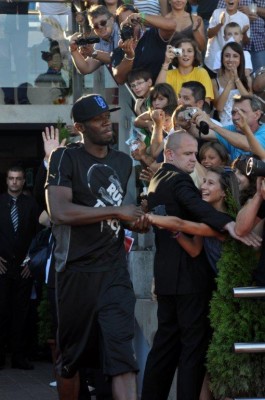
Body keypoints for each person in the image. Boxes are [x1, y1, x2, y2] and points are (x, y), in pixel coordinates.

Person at [140, 131, 258, 400]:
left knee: (164, 348)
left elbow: (183, 225)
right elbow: (192, 208)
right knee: (191, 351)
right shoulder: (179, 181)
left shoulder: (157, 179)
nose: (195, 159)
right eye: (188, 154)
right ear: (169, 154)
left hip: (169, 277)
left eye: (196, 153)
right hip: (189, 281)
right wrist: (227, 224)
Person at [45, 94, 144, 400]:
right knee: (71, 362)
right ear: (79, 127)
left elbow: (125, 214)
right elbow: (59, 212)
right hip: (76, 274)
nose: (106, 122)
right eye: (98, 119)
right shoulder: (65, 158)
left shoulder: (124, 162)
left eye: (107, 116)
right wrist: (116, 212)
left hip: (114, 273)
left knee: (122, 359)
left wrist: (137, 218)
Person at [0, 166, 39, 370]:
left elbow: (38, 235)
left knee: (21, 313)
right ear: (6, 181)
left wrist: (32, 260)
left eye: (18, 179)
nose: (14, 182)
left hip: (24, 267)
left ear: (24, 181)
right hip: (2, 267)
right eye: (11, 178)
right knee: (1, 311)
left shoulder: (31, 204)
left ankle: (19, 356)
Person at [112, 4, 177, 84]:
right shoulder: (120, 50)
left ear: (140, 22)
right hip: (139, 95)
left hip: (163, 91)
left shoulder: (153, 35)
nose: (130, 26)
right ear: (119, 27)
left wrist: (140, 16)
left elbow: (172, 25)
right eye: (125, 25)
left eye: (132, 22)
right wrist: (129, 57)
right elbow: (119, 79)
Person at [193, 95, 265, 161]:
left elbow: (249, 145)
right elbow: (204, 133)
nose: (235, 117)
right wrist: (187, 126)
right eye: (233, 113)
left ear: (257, 115)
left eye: (242, 112)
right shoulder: (232, 129)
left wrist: (213, 125)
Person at [156, 38, 214, 104]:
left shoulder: (202, 73)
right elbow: (157, 94)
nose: (185, 54)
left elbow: (206, 103)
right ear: (176, 54)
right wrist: (166, 63)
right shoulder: (168, 74)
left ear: (194, 55)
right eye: (182, 51)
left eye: (189, 51)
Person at [70, 5, 120, 75]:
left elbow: (119, 58)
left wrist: (94, 53)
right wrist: (73, 51)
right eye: (96, 26)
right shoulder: (100, 41)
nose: (100, 27)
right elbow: (86, 69)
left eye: (103, 23)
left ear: (111, 20)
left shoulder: (120, 30)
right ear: (93, 29)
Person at [204, 0, 250, 75]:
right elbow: (209, 35)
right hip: (213, 61)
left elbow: (246, 42)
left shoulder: (244, 18)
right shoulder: (217, 12)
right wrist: (220, 24)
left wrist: (244, 33)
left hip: (233, 63)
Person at [218, 0, 265, 71]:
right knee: (238, 75)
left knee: (260, 75)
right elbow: (219, 15)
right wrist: (242, 17)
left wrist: (255, 9)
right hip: (236, 43)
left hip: (258, 41)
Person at [212, 41, 252, 126]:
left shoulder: (248, 80)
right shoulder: (215, 82)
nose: (231, 59)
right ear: (222, 59)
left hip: (244, 125)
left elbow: (249, 103)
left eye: (235, 56)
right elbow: (219, 108)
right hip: (225, 126)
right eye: (227, 56)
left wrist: (237, 79)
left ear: (240, 60)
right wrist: (230, 82)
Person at [0, 1, 30, 104]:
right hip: (2, 23)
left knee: (21, 61)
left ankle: (23, 97)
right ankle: (9, 97)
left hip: (20, 23)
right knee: (4, 61)